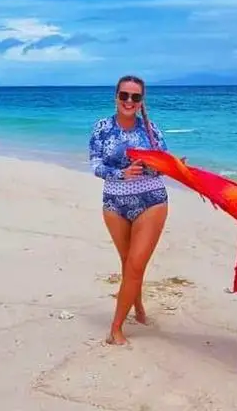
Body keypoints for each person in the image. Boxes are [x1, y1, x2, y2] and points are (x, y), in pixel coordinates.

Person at [88, 74, 173, 345]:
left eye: (135, 97)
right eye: (124, 95)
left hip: (151, 201)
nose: (129, 101)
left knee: (135, 265)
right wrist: (122, 174)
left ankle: (115, 329)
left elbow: (166, 163)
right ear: (116, 97)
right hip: (114, 204)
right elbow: (95, 165)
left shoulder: (151, 129)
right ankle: (138, 308)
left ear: (141, 101)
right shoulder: (102, 128)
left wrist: (165, 165)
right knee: (128, 264)